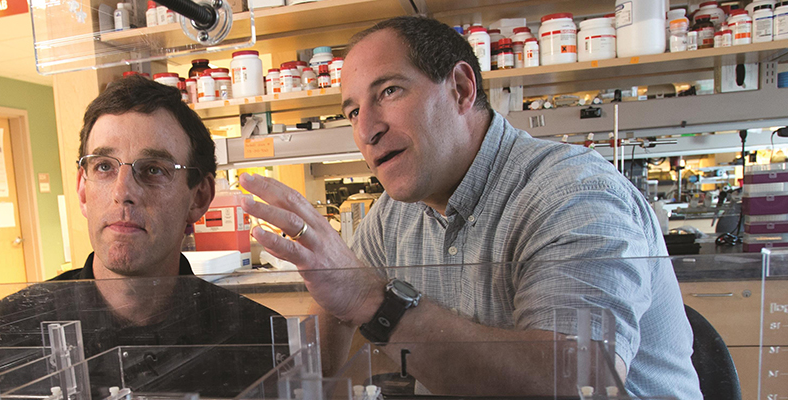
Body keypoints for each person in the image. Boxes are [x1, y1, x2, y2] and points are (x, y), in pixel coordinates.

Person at [240, 16, 701, 399]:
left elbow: (577, 383)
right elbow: (338, 310)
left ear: (461, 88)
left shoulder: (573, 193)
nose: (367, 130)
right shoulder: (394, 214)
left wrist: (375, 302)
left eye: (389, 92)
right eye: (353, 111)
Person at [0, 76, 282, 398]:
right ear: (83, 190)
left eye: (153, 169)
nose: (122, 192)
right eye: (104, 167)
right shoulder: (1, 334)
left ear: (199, 197)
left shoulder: (258, 337)